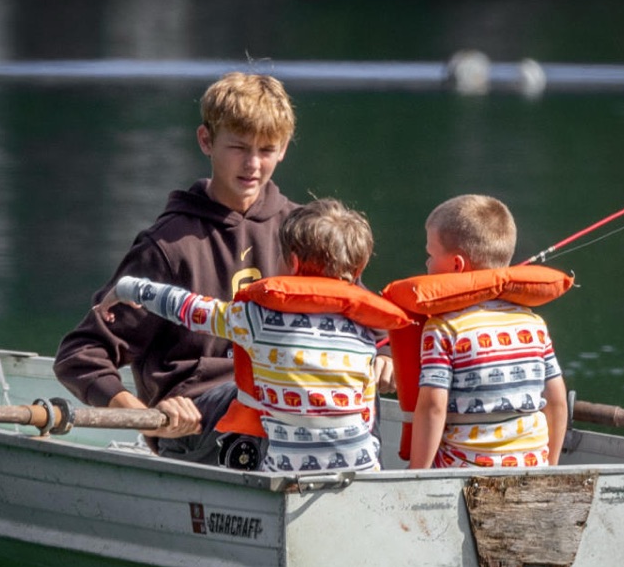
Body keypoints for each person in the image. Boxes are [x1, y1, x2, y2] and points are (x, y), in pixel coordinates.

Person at [54, 72, 296, 465]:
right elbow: (80, 354)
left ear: (283, 148)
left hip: (284, 400)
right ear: (206, 141)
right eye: (238, 147)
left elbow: (361, 324)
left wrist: (382, 358)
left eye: (266, 149)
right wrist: (144, 418)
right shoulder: (167, 245)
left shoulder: (301, 232)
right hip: (196, 423)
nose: (252, 164)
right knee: (260, 399)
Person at [105, 199, 408, 474]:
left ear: (292, 263)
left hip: (283, 469)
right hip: (363, 467)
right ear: (358, 269)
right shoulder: (364, 328)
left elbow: (186, 307)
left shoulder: (255, 319)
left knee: (255, 397)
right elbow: (366, 413)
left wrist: (128, 288)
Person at [392, 194, 570, 471]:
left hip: (465, 467)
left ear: (456, 266)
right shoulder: (533, 324)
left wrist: (417, 473)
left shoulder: (444, 328)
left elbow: (433, 407)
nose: (426, 264)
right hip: (532, 466)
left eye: (430, 255)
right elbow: (557, 400)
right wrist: (551, 466)